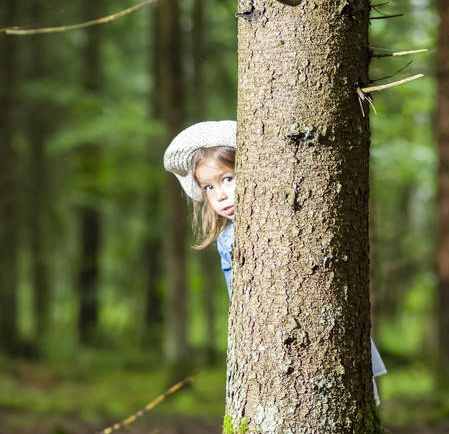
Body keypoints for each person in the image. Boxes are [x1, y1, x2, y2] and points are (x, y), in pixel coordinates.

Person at [163, 120, 387, 402]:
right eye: (208, 187)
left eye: (228, 179)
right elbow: (240, 300)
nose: (219, 195)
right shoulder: (229, 239)